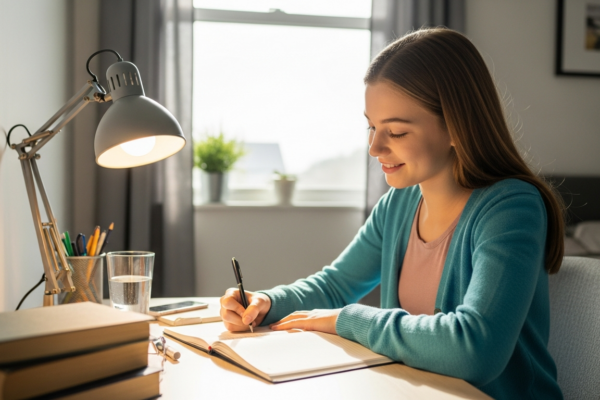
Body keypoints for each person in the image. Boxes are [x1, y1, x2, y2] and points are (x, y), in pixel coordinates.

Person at [220, 28, 564, 399]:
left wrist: (346, 320)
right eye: (371, 126)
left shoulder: (511, 207)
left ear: (456, 127)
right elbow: (336, 285)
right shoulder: (398, 205)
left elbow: (475, 350)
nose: (374, 147)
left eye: (396, 132)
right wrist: (267, 303)